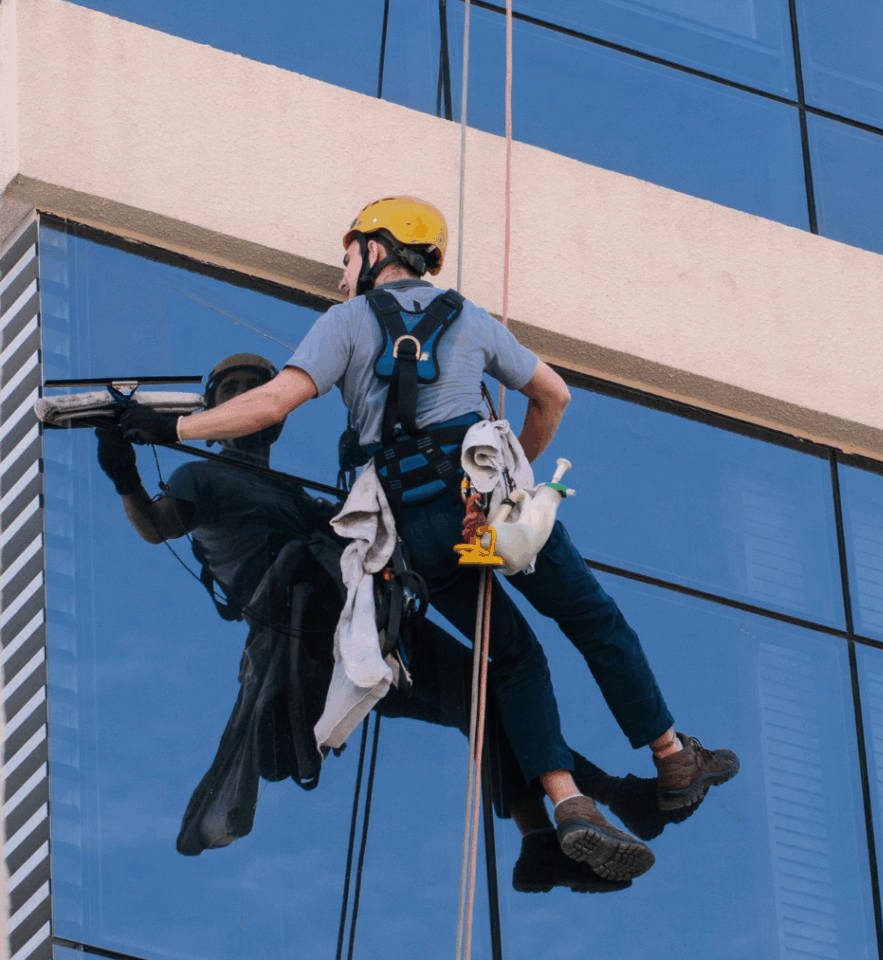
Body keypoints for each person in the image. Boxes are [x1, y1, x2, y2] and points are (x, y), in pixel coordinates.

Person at [118, 198, 739, 884]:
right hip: (484, 506)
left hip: (413, 533)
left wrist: (166, 428)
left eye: (348, 254)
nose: (341, 271)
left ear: (379, 249)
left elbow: (274, 403)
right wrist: (512, 486)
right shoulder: (470, 319)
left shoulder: (344, 325)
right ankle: (670, 756)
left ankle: (569, 804)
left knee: (510, 661)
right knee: (593, 620)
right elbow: (554, 397)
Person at [99, 353, 688, 891]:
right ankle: (596, 801)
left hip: (358, 621)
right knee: (491, 685)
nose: (246, 397)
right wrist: (126, 476)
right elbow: (158, 525)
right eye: (233, 391)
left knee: (483, 694)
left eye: (256, 389)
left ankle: (541, 836)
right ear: (215, 411)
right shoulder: (201, 476)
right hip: (312, 636)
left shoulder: (293, 490)